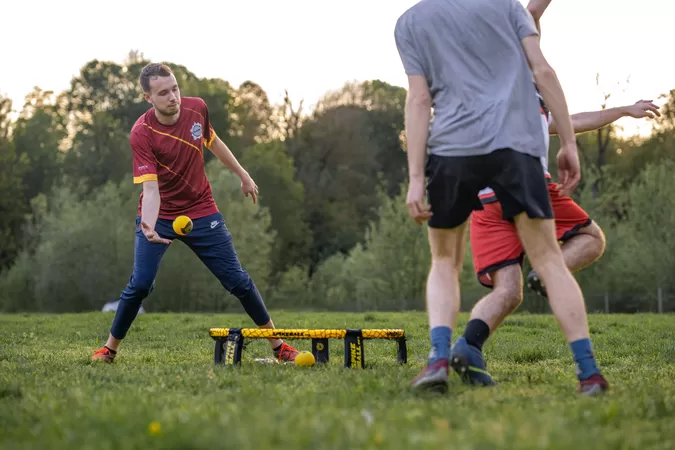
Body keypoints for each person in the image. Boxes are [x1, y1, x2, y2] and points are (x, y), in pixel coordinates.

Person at [394, 0, 608, 395]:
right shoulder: (508, 8)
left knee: (444, 260)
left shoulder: (410, 22)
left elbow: (419, 101)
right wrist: (570, 146)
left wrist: (415, 177)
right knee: (549, 262)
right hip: (516, 149)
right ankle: (588, 373)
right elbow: (543, 71)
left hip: (452, 152)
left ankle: (438, 360)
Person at [451, 0, 661, 388]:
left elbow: (574, 120)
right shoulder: (517, 68)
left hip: (484, 198)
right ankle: (585, 366)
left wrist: (623, 110)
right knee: (591, 239)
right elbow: (528, 15)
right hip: (523, 181)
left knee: (508, 291)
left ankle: (468, 346)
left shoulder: (503, 94)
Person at [91, 63, 300, 363]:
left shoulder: (197, 108)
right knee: (140, 285)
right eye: (163, 93)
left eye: (175, 88)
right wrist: (148, 226)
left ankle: (279, 346)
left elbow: (212, 141)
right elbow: (151, 191)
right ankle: (109, 349)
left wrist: (243, 174)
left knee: (238, 281)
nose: (173, 97)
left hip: (201, 209)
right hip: (160, 217)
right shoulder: (142, 133)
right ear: (148, 98)